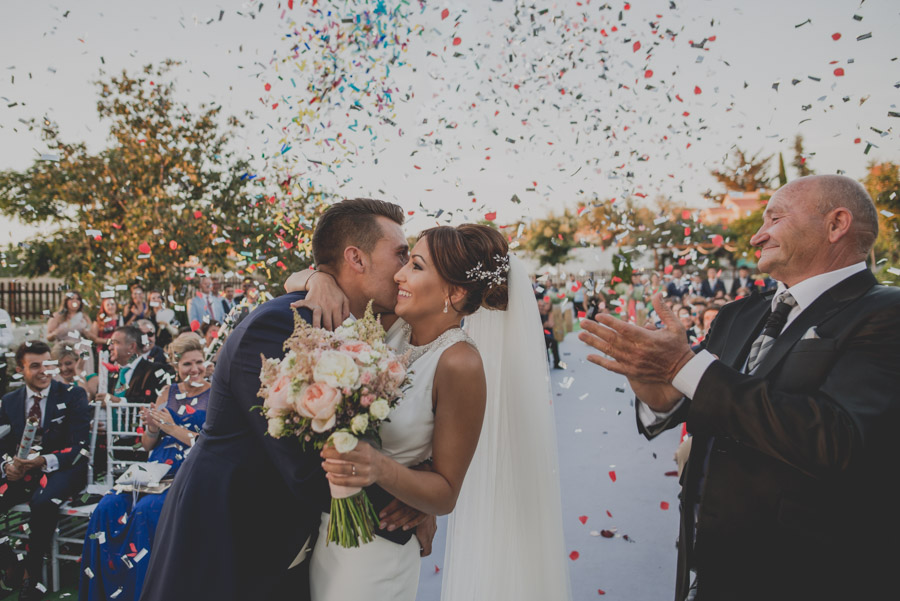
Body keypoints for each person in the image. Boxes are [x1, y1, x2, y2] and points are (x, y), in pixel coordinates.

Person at [579, 174, 900, 600]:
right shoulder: (738, 315)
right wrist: (661, 394)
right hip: (711, 563)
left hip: (810, 573)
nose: (756, 235)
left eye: (775, 218)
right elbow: (711, 401)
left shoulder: (885, 313)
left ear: (836, 224)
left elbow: (838, 439)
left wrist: (682, 365)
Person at [141, 199, 431, 601]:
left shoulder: (359, 326)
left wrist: (423, 495)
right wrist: (410, 507)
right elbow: (306, 468)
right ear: (356, 258)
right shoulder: (279, 324)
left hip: (286, 543)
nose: (403, 270)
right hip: (228, 537)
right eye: (400, 254)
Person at [309, 224, 572, 601]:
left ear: (456, 291)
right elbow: (329, 281)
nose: (399, 274)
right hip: (329, 530)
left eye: (415, 266)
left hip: (377, 551)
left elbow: (446, 493)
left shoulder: (459, 363)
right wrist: (320, 278)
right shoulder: (391, 324)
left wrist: (381, 468)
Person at [79, 333, 210, 601]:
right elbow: (148, 445)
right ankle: (107, 591)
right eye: (187, 364)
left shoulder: (216, 395)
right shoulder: (167, 393)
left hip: (192, 469)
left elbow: (208, 444)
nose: (194, 369)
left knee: (145, 510)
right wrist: (151, 426)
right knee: (106, 507)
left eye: (199, 362)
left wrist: (171, 427)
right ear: (176, 366)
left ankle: (145, 592)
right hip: (155, 467)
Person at [0, 340, 91, 600]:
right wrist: (7, 465)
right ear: (20, 369)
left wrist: (41, 462)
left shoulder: (73, 395)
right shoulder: (9, 401)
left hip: (63, 470)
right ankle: (9, 562)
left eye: (48, 364)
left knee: (42, 502)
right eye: (35, 366)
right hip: (20, 472)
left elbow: (79, 448)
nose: (44, 371)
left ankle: (32, 575)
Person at [106, 325, 172, 403]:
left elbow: (153, 400)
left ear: (132, 346)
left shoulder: (155, 371)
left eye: (115, 343)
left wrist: (120, 401)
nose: (110, 347)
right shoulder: (112, 374)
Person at [538, 295, 563, 368]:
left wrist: (545, 325)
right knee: (547, 342)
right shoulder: (536, 314)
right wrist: (544, 325)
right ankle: (547, 363)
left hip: (546, 334)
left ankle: (557, 363)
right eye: (539, 306)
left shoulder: (546, 314)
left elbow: (551, 324)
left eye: (543, 305)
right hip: (539, 336)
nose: (541, 307)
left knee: (554, 342)